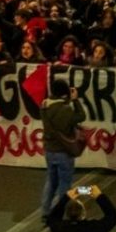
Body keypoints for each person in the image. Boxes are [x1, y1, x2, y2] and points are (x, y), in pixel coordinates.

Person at [40, 78, 86, 217]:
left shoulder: (44, 106)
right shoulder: (66, 109)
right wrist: (75, 100)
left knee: (51, 181)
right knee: (65, 184)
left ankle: (45, 211)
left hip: (49, 150)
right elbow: (81, 116)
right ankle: (60, 212)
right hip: (63, 152)